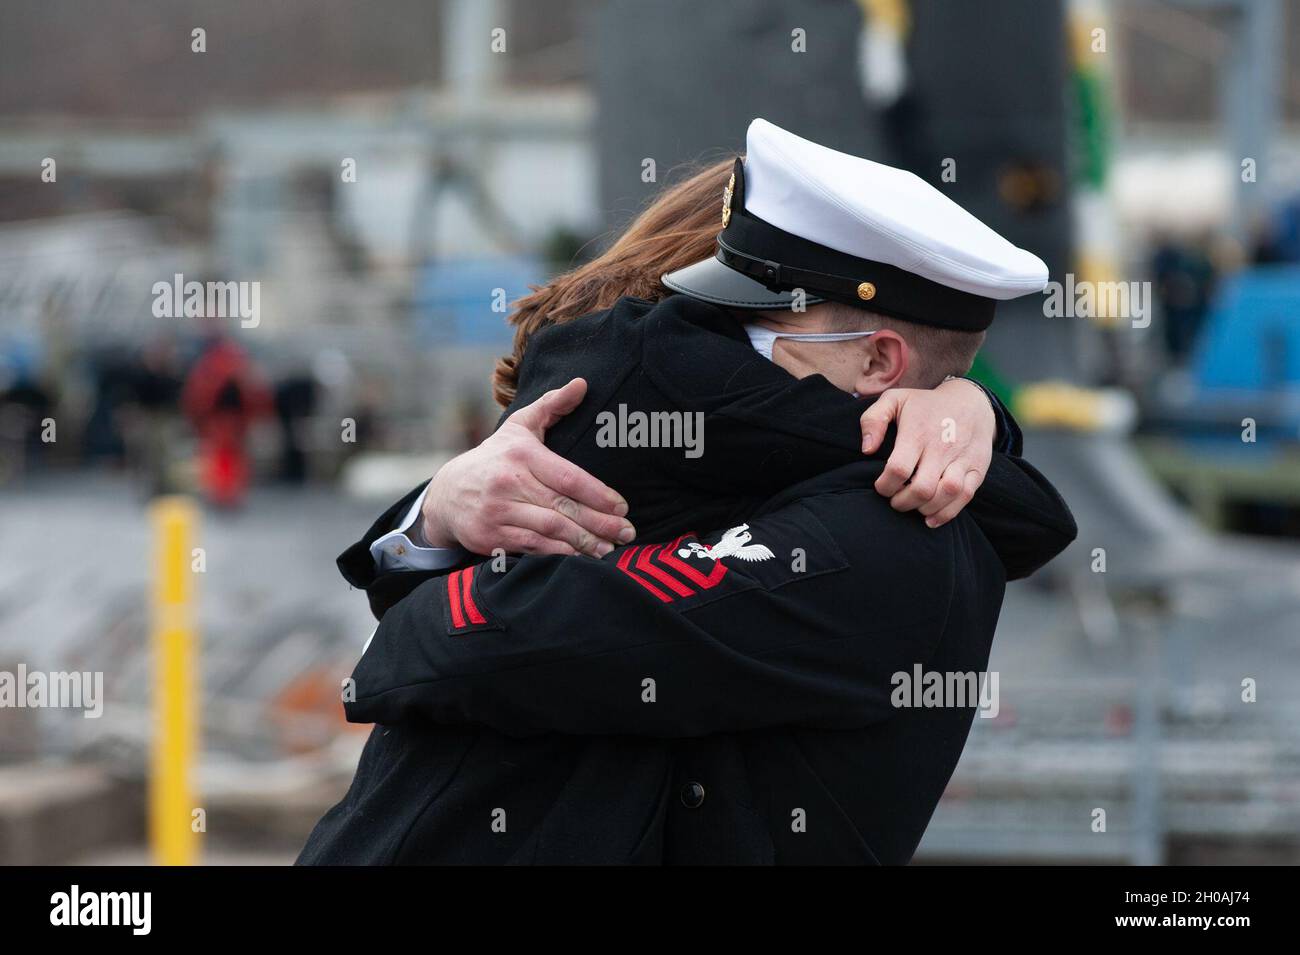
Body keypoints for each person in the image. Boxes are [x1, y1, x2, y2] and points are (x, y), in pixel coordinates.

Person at [299, 120, 1075, 864]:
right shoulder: (750, 468)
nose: (707, 344)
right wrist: (436, 511)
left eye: (755, 322)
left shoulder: (890, 539)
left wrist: (404, 629)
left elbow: (505, 644)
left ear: (877, 364)